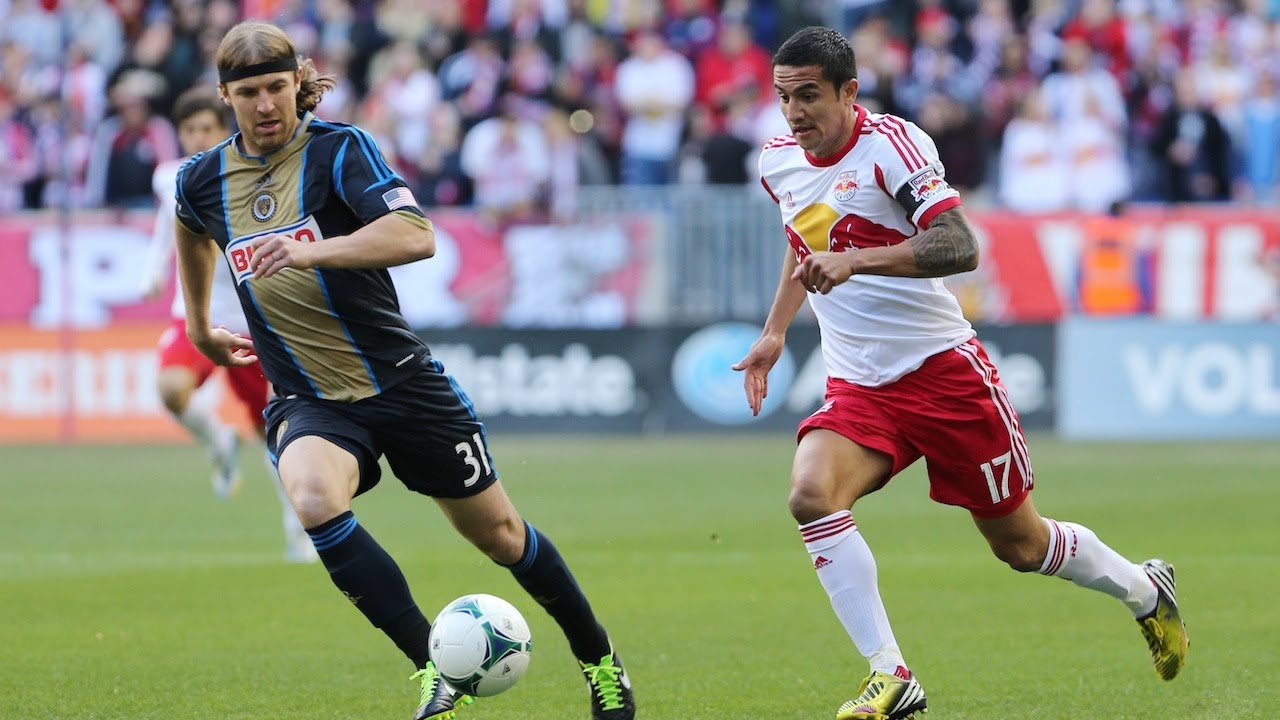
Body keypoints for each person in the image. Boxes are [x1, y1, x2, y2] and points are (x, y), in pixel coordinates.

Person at [172, 21, 634, 720]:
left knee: (502, 536)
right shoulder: (202, 179)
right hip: (310, 397)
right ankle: (432, 669)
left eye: (276, 87)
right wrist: (200, 325)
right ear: (224, 95)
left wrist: (310, 251)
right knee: (313, 497)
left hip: (402, 383)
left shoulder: (340, 150)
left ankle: (599, 659)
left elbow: (416, 234)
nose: (265, 105)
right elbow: (188, 224)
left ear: (298, 83)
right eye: (249, 93)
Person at [733, 27, 1188, 720]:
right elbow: (803, 238)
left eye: (809, 96)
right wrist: (774, 330)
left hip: (943, 374)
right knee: (810, 495)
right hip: (859, 384)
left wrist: (856, 261)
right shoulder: (778, 161)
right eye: (784, 97)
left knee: (1021, 545)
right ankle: (891, 676)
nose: (795, 112)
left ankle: (1145, 592)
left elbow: (959, 245)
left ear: (849, 92)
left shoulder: (893, 146)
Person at [141, 87, 316, 564]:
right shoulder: (171, 177)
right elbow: (168, 224)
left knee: (273, 432)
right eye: (190, 129)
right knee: (171, 389)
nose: (198, 137)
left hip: (252, 322)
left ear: (224, 130)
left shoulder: (249, 173)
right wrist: (153, 271)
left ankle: (299, 533)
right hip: (196, 315)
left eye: (207, 128)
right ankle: (218, 440)